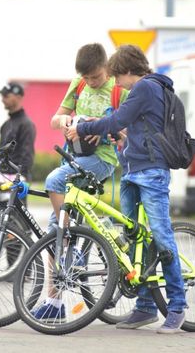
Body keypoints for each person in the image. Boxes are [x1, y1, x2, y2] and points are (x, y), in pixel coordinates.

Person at [66, 44, 187, 334]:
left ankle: (177, 306)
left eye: (118, 76)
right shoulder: (142, 91)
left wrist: (83, 128)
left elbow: (118, 119)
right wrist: (118, 136)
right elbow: (131, 127)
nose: (116, 83)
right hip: (132, 171)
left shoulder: (146, 87)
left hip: (151, 173)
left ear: (129, 70)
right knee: (134, 238)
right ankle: (145, 307)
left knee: (161, 236)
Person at [31, 43, 128, 321]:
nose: (91, 82)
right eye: (86, 77)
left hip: (102, 160)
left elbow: (126, 130)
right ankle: (55, 304)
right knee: (54, 232)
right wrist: (66, 120)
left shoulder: (118, 89)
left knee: (54, 180)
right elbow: (54, 120)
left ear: (106, 68)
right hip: (75, 157)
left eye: (95, 77)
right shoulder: (79, 84)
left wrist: (102, 127)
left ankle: (73, 236)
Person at [0, 82, 36, 180]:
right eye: (2, 96)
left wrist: (20, 178)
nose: (2, 99)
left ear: (18, 97)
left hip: (16, 180)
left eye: (6, 96)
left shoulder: (26, 124)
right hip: (1, 177)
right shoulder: (5, 124)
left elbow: (27, 155)